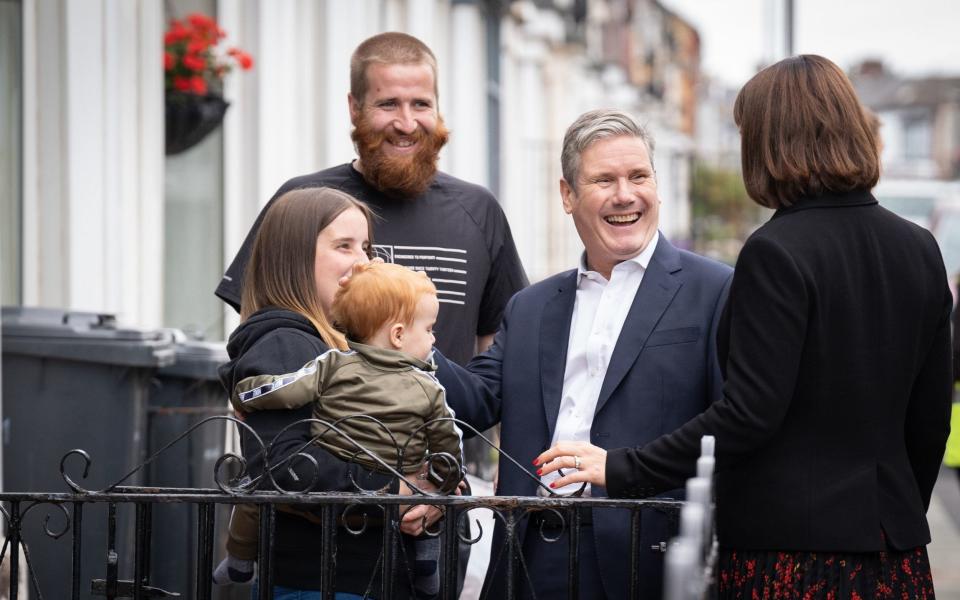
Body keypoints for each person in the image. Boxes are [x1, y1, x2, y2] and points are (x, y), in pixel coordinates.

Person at [537, 55, 953, 598]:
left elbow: (749, 414)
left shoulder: (776, 252)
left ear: (771, 142)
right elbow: (931, 417)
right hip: (895, 552)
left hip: (791, 556)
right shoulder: (919, 248)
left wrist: (622, 466)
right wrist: (894, 509)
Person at [436, 109, 733, 599]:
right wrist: (404, 341)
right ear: (568, 195)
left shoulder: (716, 289)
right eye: (604, 179)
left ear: (657, 187)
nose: (625, 194)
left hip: (648, 555)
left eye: (639, 176)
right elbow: (474, 402)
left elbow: (731, 427)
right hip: (530, 555)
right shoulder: (529, 307)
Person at [216, 31, 527, 367]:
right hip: (320, 419)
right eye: (388, 103)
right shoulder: (301, 203)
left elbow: (497, 350)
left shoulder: (479, 211)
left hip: (443, 419)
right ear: (354, 108)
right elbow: (255, 330)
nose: (406, 123)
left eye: (421, 104)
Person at [218, 187, 446, 599]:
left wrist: (434, 493)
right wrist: (395, 490)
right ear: (294, 258)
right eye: (344, 246)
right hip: (317, 579)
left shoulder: (353, 345)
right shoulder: (284, 342)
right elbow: (285, 467)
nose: (364, 261)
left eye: (366, 246)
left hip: (363, 575)